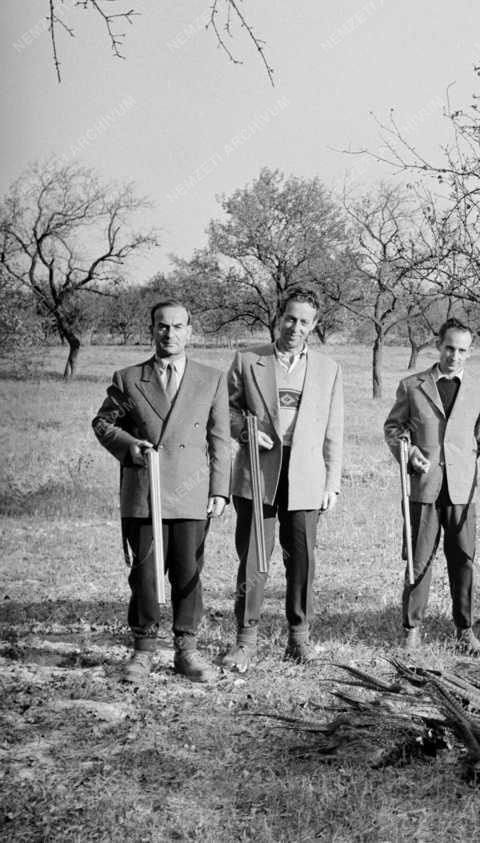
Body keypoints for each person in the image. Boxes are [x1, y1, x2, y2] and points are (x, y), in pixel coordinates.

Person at [92, 300, 230, 684]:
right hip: (144, 494)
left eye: (177, 326)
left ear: (190, 330)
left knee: (188, 573)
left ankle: (187, 650)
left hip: (191, 494)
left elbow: (220, 439)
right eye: (162, 326)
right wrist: (128, 445)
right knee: (145, 575)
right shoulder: (127, 378)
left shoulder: (212, 379)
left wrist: (219, 489)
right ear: (152, 329)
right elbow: (103, 423)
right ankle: (143, 651)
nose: (169, 334)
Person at [221, 287, 344, 670]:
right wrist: (244, 431)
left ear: (314, 325)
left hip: (305, 476)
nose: (295, 327)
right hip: (258, 474)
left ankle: (299, 638)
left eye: (304, 321)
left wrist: (331, 483)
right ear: (279, 317)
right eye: (290, 318)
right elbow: (224, 409)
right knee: (255, 559)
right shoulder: (247, 360)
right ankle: (245, 640)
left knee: (302, 560)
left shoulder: (328, 369)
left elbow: (333, 430)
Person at [383, 318, 480, 655]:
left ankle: (464, 631)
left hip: (463, 491)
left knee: (463, 560)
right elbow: (393, 427)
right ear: (438, 345)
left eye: (462, 350)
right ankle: (412, 629)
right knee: (419, 559)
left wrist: (461, 462)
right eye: (449, 348)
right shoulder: (412, 386)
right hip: (424, 489)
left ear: (470, 353)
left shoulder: (479, 390)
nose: (454, 356)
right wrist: (409, 451)